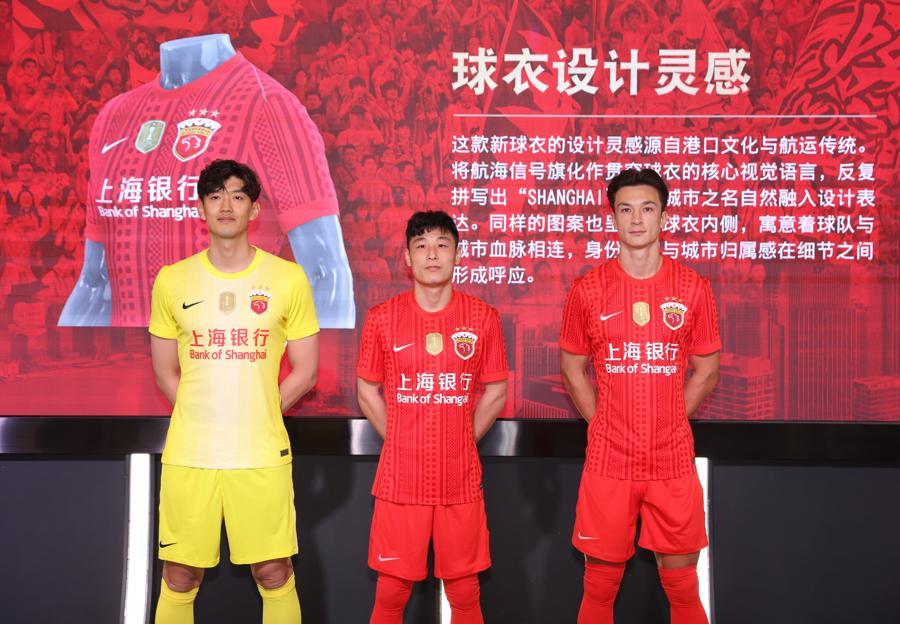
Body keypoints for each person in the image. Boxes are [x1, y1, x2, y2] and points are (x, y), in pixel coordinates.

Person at [149, 159, 319, 624]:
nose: (226, 205)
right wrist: (203, 415)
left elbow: (306, 371)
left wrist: (257, 412)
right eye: (215, 196)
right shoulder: (172, 280)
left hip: (260, 453)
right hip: (190, 454)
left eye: (238, 196)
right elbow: (164, 372)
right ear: (201, 208)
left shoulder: (287, 278)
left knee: (274, 571)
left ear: (254, 209)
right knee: (179, 576)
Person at [559, 168, 720, 624]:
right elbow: (572, 367)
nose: (636, 220)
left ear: (663, 217)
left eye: (647, 209)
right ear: (612, 217)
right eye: (625, 210)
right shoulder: (588, 290)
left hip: (672, 459)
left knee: (684, 589)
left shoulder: (693, 288)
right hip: (609, 460)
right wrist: (604, 422)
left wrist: (669, 418)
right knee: (598, 589)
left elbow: (707, 370)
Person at [357, 210, 508, 624]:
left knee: (465, 593)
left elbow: (496, 391)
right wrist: (399, 439)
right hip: (400, 480)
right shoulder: (382, 318)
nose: (432, 255)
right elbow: (366, 391)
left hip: (459, 479)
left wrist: (461, 438)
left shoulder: (483, 318)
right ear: (407, 257)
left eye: (442, 245)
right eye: (421, 246)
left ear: (457, 254)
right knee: (391, 592)